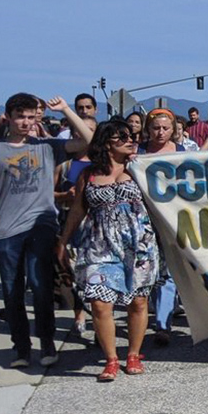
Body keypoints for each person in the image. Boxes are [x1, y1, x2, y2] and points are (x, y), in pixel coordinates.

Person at [0, 94, 93, 368]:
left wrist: (66, 109)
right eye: (20, 117)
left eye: (31, 116)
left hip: (41, 227)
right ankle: (21, 349)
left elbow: (89, 140)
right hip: (6, 231)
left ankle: (47, 343)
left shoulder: (48, 147)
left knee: (40, 288)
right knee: (12, 291)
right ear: (9, 117)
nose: (26, 122)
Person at [56, 119, 162, 381]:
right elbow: (79, 209)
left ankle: (134, 354)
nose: (130, 141)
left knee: (138, 302)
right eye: (122, 137)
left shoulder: (140, 169)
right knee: (100, 303)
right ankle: (111, 359)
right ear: (106, 143)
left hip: (138, 245)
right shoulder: (88, 175)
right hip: (99, 245)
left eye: (131, 136)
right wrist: (63, 240)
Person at [137, 109, 184, 346]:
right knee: (147, 271)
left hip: (173, 220)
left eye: (166, 128)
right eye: (156, 128)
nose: (161, 132)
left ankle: (163, 324)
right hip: (144, 222)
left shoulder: (182, 153)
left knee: (168, 273)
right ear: (148, 129)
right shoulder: (138, 154)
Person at [54, 118, 97, 335]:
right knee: (70, 273)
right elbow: (47, 193)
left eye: (89, 130)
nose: (83, 134)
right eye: (78, 130)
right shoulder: (65, 164)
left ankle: (98, 320)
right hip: (69, 222)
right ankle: (78, 311)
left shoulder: (103, 163)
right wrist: (64, 195)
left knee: (94, 274)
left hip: (96, 227)